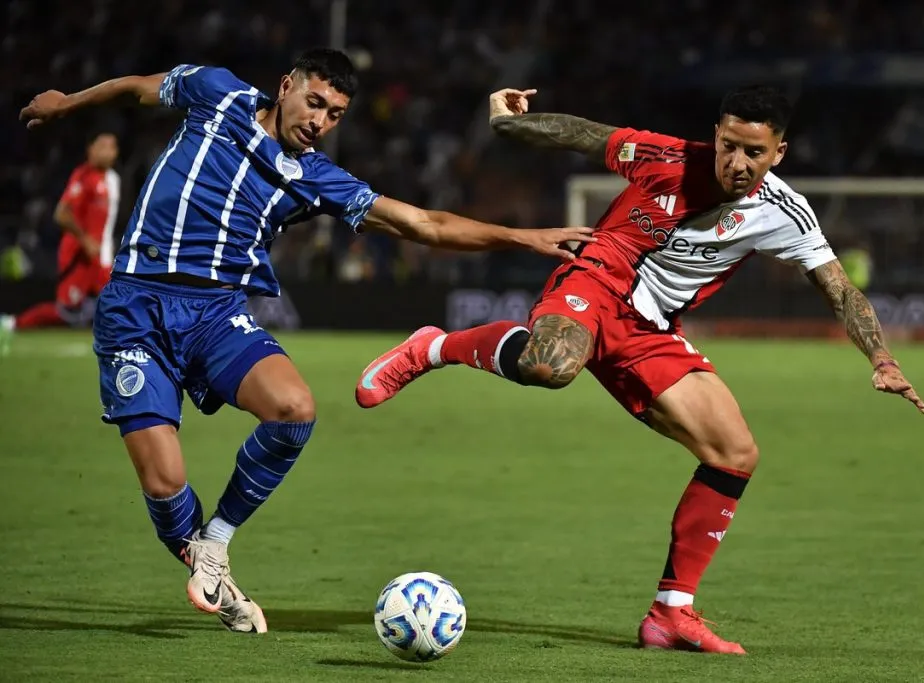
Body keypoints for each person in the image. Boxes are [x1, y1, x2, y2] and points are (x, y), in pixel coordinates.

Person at [17, 50, 593, 634]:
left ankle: (214, 545)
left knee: (295, 409)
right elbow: (139, 86)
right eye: (315, 103)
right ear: (287, 85)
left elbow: (424, 224)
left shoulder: (315, 178)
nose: (320, 121)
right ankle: (202, 563)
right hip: (134, 309)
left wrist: (525, 237)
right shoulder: (217, 94)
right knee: (164, 484)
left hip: (215, 315)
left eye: (336, 114)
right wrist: (69, 102)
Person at [354, 85, 924, 654]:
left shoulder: (784, 214)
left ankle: (671, 615)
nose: (736, 162)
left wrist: (881, 359)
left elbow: (838, 288)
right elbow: (586, 135)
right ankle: (433, 348)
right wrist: (509, 125)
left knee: (735, 453)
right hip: (597, 278)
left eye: (753, 152)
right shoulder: (670, 158)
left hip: (651, 331)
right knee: (550, 365)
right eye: (728, 145)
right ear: (716, 135)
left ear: (779, 152)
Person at [0, 132, 120, 346]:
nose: (106, 151)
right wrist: (85, 240)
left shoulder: (113, 180)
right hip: (79, 256)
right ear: (90, 149)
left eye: (111, 147)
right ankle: (13, 322)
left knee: (114, 303)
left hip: (101, 258)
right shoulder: (83, 176)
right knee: (67, 311)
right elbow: (61, 213)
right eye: (101, 146)